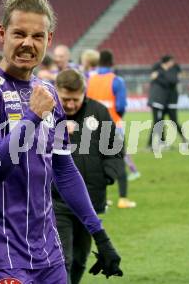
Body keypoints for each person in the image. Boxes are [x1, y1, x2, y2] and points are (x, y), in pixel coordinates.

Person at [0, 0, 123, 284]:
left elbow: (64, 169)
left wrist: (99, 233)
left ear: (49, 39)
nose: (27, 43)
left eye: (37, 36)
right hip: (0, 256)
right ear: (2, 33)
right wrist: (32, 118)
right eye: (19, 33)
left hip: (48, 253)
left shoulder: (47, 93)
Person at [53, 69, 124, 284]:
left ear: (84, 93)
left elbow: (116, 148)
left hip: (91, 200)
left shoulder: (99, 112)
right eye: (66, 99)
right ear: (56, 92)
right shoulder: (46, 114)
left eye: (75, 99)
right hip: (55, 201)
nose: (71, 105)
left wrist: (107, 176)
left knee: (80, 260)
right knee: (61, 259)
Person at [87, 49, 138, 209]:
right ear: (112, 63)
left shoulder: (91, 80)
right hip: (113, 125)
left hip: (93, 125)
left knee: (97, 164)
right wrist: (118, 116)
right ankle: (123, 199)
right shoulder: (116, 80)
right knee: (118, 161)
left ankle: (101, 200)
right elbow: (121, 105)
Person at [147, 54, 186, 149]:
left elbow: (173, 80)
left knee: (162, 121)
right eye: (171, 62)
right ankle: (153, 144)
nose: (173, 63)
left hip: (166, 101)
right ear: (167, 62)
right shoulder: (161, 71)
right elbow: (172, 80)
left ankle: (158, 143)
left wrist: (158, 76)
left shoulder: (167, 72)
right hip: (159, 100)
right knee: (159, 121)